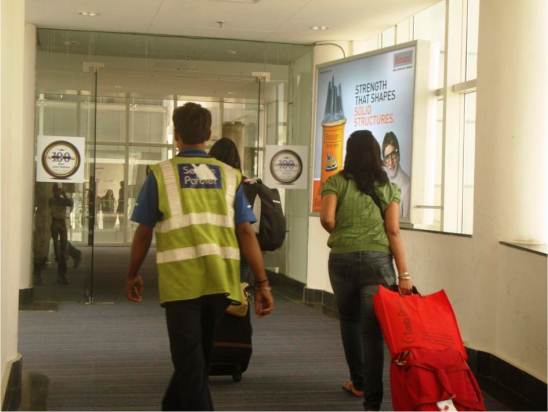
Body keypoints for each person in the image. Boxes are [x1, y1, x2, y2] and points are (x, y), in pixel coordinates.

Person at [125, 102, 274, 411]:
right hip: (221, 283)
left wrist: (133, 273)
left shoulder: (161, 175)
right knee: (197, 361)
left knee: (191, 365)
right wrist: (263, 283)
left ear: (176, 136)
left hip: (181, 284)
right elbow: (246, 233)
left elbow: (143, 232)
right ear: (208, 135)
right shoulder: (231, 176)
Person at [320, 130, 412, 411]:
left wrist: (344, 232)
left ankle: (357, 381)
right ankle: (372, 402)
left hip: (342, 260)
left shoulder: (335, 182)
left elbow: (327, 218)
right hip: (377, 263)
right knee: (373, 333)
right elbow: (393, 230)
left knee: (349, 320)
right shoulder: (388, 188)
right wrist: (404, 274)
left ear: (348, 153)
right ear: (376, 154)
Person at [209, 137, 251, 283]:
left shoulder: (206, 183)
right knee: (239, 291)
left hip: (213, 244)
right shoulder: (244, 182)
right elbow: (246, 227)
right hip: (241, 246)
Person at [49, 184, 74, 284]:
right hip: (56, 221)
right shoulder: (53, 200)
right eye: (57, 190)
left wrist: (64, 194)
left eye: (59, 191)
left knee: (63, 247)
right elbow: (69, 203)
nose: (58, 192)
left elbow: (70, 203)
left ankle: (62, 272)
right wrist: (63, 195)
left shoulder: (61, 200)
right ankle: (59, 262)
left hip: (61, 222)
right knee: (57, 247)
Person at [382, 132, 410, 220]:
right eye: (387, 157)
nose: (391, 162)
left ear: (398, 156)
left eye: (393, 156)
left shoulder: (407, 184)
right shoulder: (379, 179)